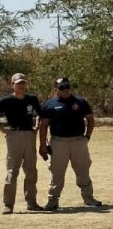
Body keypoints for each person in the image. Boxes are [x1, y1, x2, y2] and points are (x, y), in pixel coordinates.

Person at [38, 77, 102, 211]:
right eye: (62, 87)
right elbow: (43, 126)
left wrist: (87, 137)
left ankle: (89, 198)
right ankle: (52, 201)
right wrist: (43, 145)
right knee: (57, 173)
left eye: (67, 86)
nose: (65, 89)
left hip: (78, 141)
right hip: (59, 142)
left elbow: (90, 119)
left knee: (83, 171)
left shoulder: (81, 102)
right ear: (56, 90)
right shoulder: (49, 104)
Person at [1, 73, 43, 214]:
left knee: (31, 170)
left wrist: (36, 127)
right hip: (14, 135)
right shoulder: (6, 101)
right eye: (18, 83)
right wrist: (2, 129)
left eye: (23, 83)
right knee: (12, 171)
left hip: (29, 135)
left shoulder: (32, 99)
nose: (21, 86)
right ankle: (8, 205)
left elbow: (40, 114)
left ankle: (32, 202)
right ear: (12, 84)